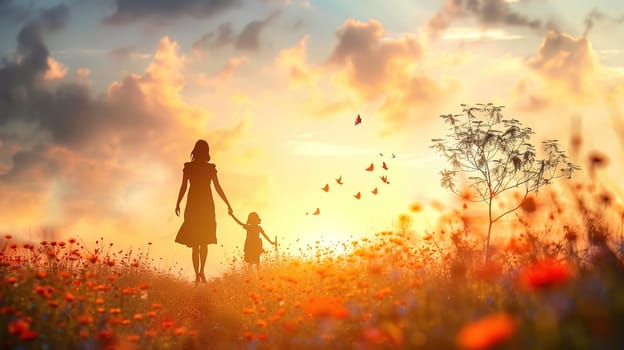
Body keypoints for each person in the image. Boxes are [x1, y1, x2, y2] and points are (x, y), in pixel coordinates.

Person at [175, 139, 233, 283]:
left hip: (194, 205)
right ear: (206, 151)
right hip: (205, 205)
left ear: (195, 150)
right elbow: (218, 188)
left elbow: (183, 187)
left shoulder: (190, 167)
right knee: (204, 241)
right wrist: (227, 204)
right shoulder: (209, 168)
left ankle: (197, 274)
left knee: (196, 243)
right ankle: (201, 272)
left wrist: (178, 203)